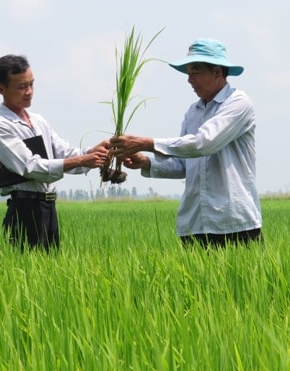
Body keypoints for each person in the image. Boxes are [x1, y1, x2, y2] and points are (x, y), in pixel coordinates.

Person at [110, 38, 263, 248]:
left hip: (234, 223)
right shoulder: (193, 112)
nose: (189, 80)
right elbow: (183, 165)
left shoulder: (238, 103)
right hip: (194, 224)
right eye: (188, 73)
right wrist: (146, 162)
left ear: (217, 72)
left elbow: (203, 143)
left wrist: (146, 143)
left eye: (195, 72)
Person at [0, 54, 108, 251]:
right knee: (26, 273)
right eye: (22, 86)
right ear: (1, 89)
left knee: (49, 271)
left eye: (31, 85)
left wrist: (93, 152)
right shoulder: (0, 127)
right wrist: (82, 159)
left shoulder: (38, 121)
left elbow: (64, 153)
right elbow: (31, 167)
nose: (29, 92)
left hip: (48, 207)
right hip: (25, 209)